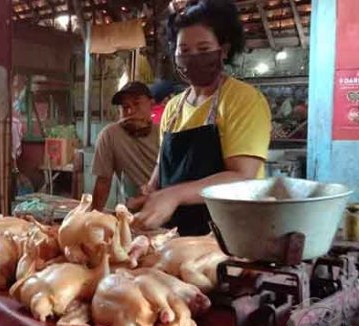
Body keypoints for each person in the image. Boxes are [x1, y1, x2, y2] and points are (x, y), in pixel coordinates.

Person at [134, 0, 271, 235]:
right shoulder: (173, 108)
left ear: (224, 50)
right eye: (184, 51)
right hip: (173, 237)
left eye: (204, 49)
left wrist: (174, 195)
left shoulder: (242, 100)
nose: (193, 57)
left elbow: (243, 177)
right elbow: (161, 166)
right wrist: (151, 192)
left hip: (228, 237)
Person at [91, 82, 159, 211]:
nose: (131, 111)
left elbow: (176, 184)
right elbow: (103, 181)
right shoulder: (110, 135)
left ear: (151, 104)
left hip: (168, 208)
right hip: (133, 214)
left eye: (137, 104)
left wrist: (141, 200)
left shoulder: (163, 133)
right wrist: (94, 216)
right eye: (124, 107)